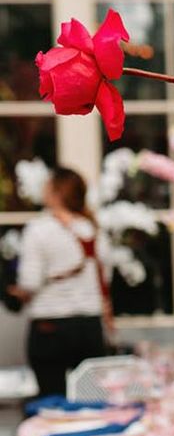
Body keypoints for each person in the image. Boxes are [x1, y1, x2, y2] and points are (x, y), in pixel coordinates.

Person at [13, 167, 112, 397]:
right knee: (91, 401)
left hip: (50, 327)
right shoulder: (94, 230)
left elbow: (30, 281)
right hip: (89, 326)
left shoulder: (39, 229)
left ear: (56, 193)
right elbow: (105, 280)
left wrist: (14, 293)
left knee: (52, 401)